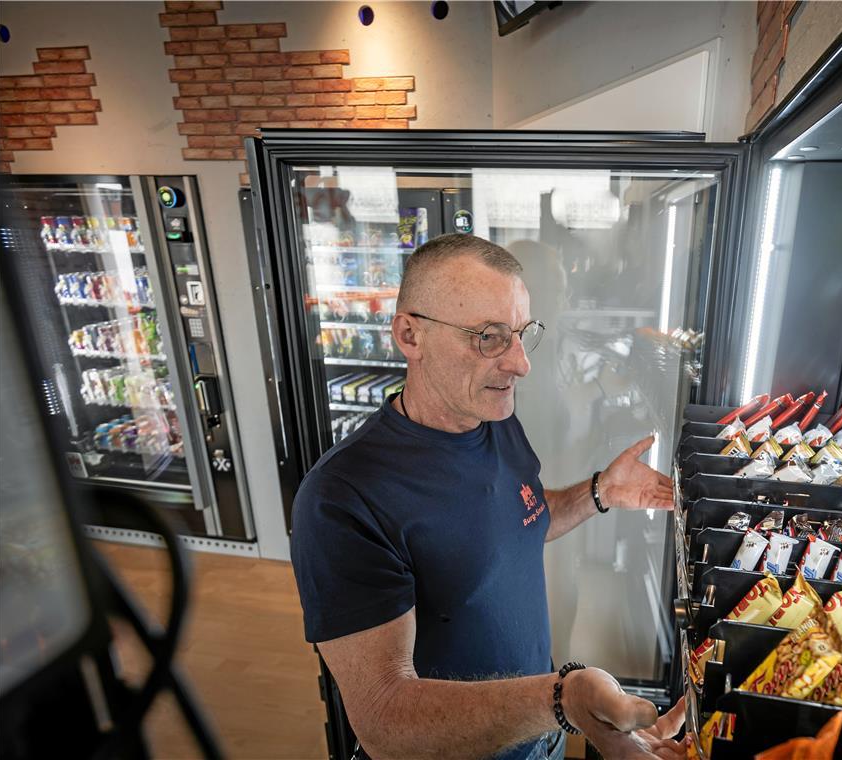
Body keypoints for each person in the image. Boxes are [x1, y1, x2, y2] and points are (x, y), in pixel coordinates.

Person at [290, 234, 688, 760]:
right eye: (489, 337)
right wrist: (562, 699)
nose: (521, 363)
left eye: (522, 334)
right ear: (410, 335)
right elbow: (384, 720)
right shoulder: (342, 498)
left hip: (536, 735)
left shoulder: (492, 421)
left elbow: (521, 520)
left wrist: (597, 493)